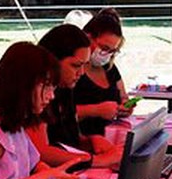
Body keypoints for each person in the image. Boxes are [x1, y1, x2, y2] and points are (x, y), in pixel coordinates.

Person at [0, 42, 84, 179]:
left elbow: (35, 165)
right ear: (22, 85)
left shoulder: (17, 127)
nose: (51, 96)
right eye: (46, 86)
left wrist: (60, 177)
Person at [29, 24, 122, 169]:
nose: (82, 73)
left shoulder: (66, 89)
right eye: (75, 65)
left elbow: (68, 141)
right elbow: (42, 151)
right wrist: (95, 161)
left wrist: (91, 140)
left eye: (84, 65)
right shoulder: (35, 95)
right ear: (54, 60)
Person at [74, 9, 133, 138]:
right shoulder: (73, 70)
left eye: (113, 51)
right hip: (81, 140)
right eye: (105, 48)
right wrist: (95, 110)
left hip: (110, 137)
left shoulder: (109, 68)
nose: (106, 55)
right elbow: (57, 115)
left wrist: (125, 107)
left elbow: (123, 96)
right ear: (88, 37)